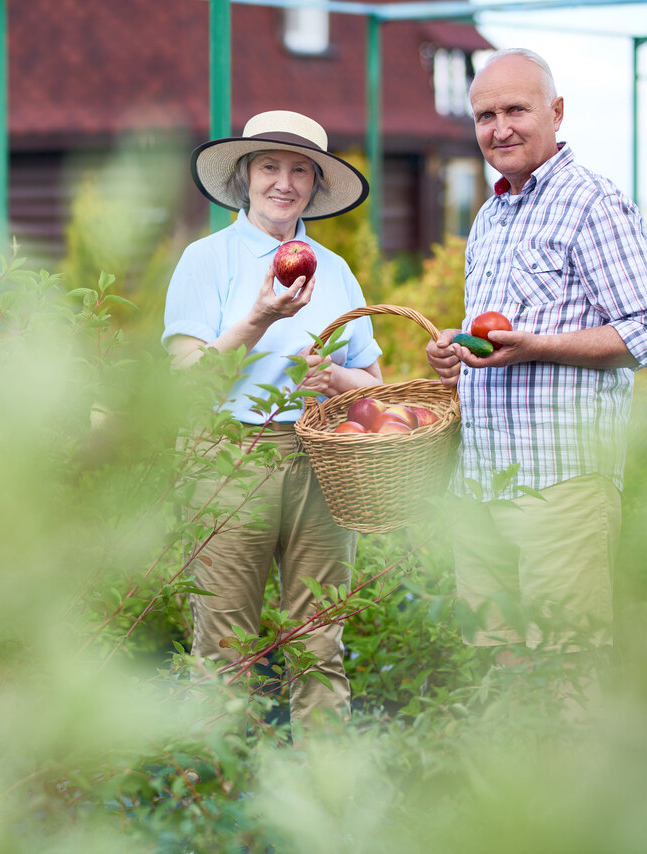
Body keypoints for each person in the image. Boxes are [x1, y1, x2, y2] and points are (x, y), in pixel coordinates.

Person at [425, 49, 647, 674]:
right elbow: (497, 335)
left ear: (556, 113)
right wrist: (457, 350)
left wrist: (539, 346)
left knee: (566, 672)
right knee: (494, 670)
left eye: (516, 109)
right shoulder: (489, 216)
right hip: (481, 486)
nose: (500, 128)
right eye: (486, 115)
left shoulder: (594, 203)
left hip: (561, 486)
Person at [162, 110, 383, 727]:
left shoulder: (335, 270)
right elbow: (184, 382)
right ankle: (220, 805)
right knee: (225, 646)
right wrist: (259, 317)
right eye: (269, 167)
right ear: (244, 175)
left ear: (315, 184)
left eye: (300, 171)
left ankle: (323, 803)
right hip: (230, 457)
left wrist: (335, 380)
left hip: (323, 463)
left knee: (319, 644)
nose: (284, 182)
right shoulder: (206, 260)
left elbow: (374, 385)